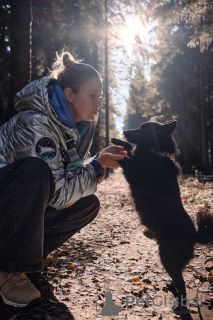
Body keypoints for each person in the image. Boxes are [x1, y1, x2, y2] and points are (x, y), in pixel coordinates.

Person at [0, 51, 127, 308]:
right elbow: (56, 193)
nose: (99, 103)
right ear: (69, 94)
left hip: (12, 208)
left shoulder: (69, 127)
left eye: (100, 96)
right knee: (35, 171)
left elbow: (64, 177)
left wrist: (96, 163)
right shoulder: (36, 123)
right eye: (92, 96)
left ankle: (28, 254)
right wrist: (96, 165)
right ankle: (9, 268)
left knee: (87, 204)